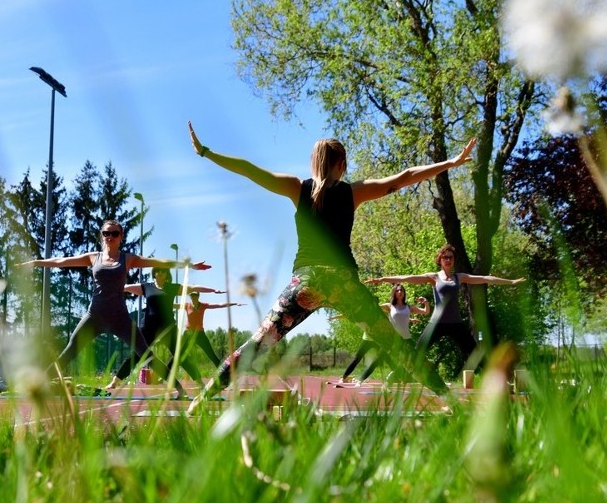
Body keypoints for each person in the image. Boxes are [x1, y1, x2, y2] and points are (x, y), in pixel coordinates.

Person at [186, 120, 476, 412]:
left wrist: (207, 153)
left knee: (259, 342)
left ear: (314, 163)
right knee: (397, 347)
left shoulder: (296, 188)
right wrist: (451, 162)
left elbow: (250, 170)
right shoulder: (353, 192)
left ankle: (203, 397)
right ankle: (450, 400)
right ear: (341, 163)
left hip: (307, 282)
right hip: (344, 283)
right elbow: (404, 177)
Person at [18, 219, 210, 395]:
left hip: (120, 318)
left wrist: (189, 265)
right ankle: (39, 384)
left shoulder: (128, 259)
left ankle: (179, 390)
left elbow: (159, 262)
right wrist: (35, 262)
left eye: (114, 233)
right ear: (101, 235)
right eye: (106, 233)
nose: (109, 237)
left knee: (146, 355)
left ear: (121, 237)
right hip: (94, 315)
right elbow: (61, 261)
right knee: (71, 349)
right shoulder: (94, 257)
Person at [366, 243, 525, 373]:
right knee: (417, 352)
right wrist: (382, 279)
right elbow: (406, 278)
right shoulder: (434, 277)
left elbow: (484, 279)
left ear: (453, 260)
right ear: (440, 260)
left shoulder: (459, 277)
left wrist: (510, 282)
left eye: (451, 257)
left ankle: (497, 380)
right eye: (445, 257)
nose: (448, 259)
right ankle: (398, 376)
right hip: (436, 323)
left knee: (476, 353)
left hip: (456, 324)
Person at [105, 268, 226, 390]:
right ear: (154, 273)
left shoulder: (173, 288)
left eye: (163, 271)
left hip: (168, 328)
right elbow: (124, 287)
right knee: (137, 354)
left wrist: (213, 290)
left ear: (167, 274)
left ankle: (200, 384)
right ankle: (115, 381)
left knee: (181, 356)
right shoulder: (146, 287)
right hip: (148, 327)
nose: (160, 273)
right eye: (158, 271)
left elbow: (193, 288)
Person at [337, 284, 428, 386]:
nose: (400, 292)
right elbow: (369, 310)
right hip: (391, 338)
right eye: (397, 290)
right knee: (377, 360)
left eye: (401, 290)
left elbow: (426, 312)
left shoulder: (409, 307)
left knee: (413, 359)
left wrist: (426, 303)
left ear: (404, 293)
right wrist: (346, 313)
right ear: (394, 293)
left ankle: (397, 377)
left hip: (406, 339)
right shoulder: (389, 306)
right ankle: (360, 380)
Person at [178, 290, 245, 371]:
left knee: (212, 355)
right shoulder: (186, 305)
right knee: (178, 354)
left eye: (195, 296)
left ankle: (224, 372)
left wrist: (234, 303)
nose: (193, 297)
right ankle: (167, 374)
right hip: (188, 334)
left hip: (200, 334)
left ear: (198, 296)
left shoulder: (203, 305)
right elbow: (174, 305)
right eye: (191, 296)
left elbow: (219, 305)